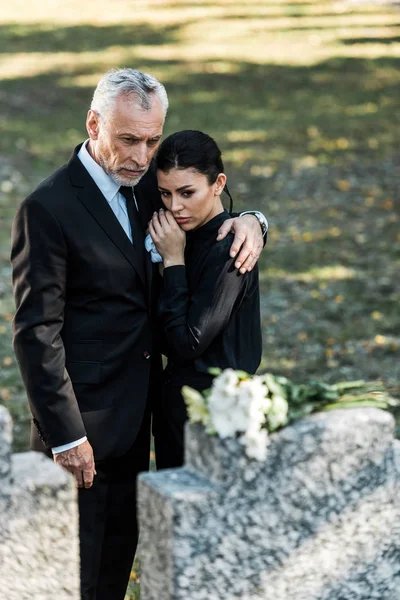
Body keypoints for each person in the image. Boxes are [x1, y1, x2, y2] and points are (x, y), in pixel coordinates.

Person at [10, 69, 267, 600]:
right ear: (93, 124)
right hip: (81, 434)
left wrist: (253, 221)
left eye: (153, 140)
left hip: (139, 423)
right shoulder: (48, 208)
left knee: (116, 568)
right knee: (71, 581)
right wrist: (66, 436)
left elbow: (203, 194)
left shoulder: (149, 182)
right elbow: (36, 332)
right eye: (128, 140)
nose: (142, 155)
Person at [149, 130, 263, 469]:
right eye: (164, 194)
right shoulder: (178, 230)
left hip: (217, 422)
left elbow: (188, 341)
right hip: (176, 414)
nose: (175, 206)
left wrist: (173, 262)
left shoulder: (230, 248)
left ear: (218, 184)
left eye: (187, 192)